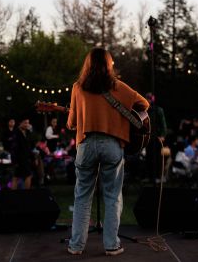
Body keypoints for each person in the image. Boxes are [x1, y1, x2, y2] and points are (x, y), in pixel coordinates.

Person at [66, 48, 149, 256]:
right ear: (109, 65)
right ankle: (112, 245)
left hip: (86, 144)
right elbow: (144, 104)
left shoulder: (78, 87)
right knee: (112, 197)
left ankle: (76, 246)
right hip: (112, 146)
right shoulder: (118, 86)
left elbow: (72, 123)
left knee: (82, 197)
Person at [144, 92, 168, 184]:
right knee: (149, 157)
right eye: (147, 98)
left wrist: (162, 135)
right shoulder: (145, 111)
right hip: (148, 137)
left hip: (157, 138)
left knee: (157, 158)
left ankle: (158, 176)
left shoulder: (158, 110)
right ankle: (150, 176)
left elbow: (163, 124)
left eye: (149, 99)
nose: (148, 100)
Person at [11, 117, 37, 190]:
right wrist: (15, 161)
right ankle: (24, 194)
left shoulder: (27, 132)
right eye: (25, 123)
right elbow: (14, 148)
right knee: (23, 176)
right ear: (20, 123)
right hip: (19, 159)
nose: (27, 125)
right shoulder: (16, 133)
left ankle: (23, 194)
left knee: (18, 176)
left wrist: (33, 158)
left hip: (26, 158)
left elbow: (30, 146)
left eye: (28, 123)